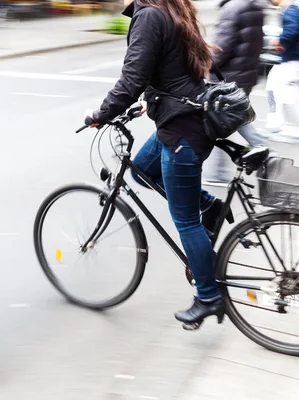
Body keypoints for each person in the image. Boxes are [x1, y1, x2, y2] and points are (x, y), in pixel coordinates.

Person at [86, 0, 226, 325]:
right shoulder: (172, 9)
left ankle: (208, 297)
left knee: (186, 221)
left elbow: (131, 78)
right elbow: (174, 67)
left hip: (182, 132)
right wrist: (152, 100)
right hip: (184, 119)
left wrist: (100, 114)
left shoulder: (149, 15)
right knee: (141, 170)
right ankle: (211, 207)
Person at [203, 0, 269, 185]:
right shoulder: (255, 5)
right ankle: (259, 149)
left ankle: (220, 173)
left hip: (228, 77)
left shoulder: (232, 8)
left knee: (219, 121)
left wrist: (205, 65)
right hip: (246, 74)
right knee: (233, 118)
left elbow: (222, 46)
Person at [264, 0, 299, 143]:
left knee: (289, 97)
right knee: (272, 89)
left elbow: (293, 30)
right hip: (289, 62)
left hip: (291, 63)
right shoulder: (291, 9)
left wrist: (279, 41)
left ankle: (297, 131)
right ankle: (276, 125)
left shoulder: (290, 10)